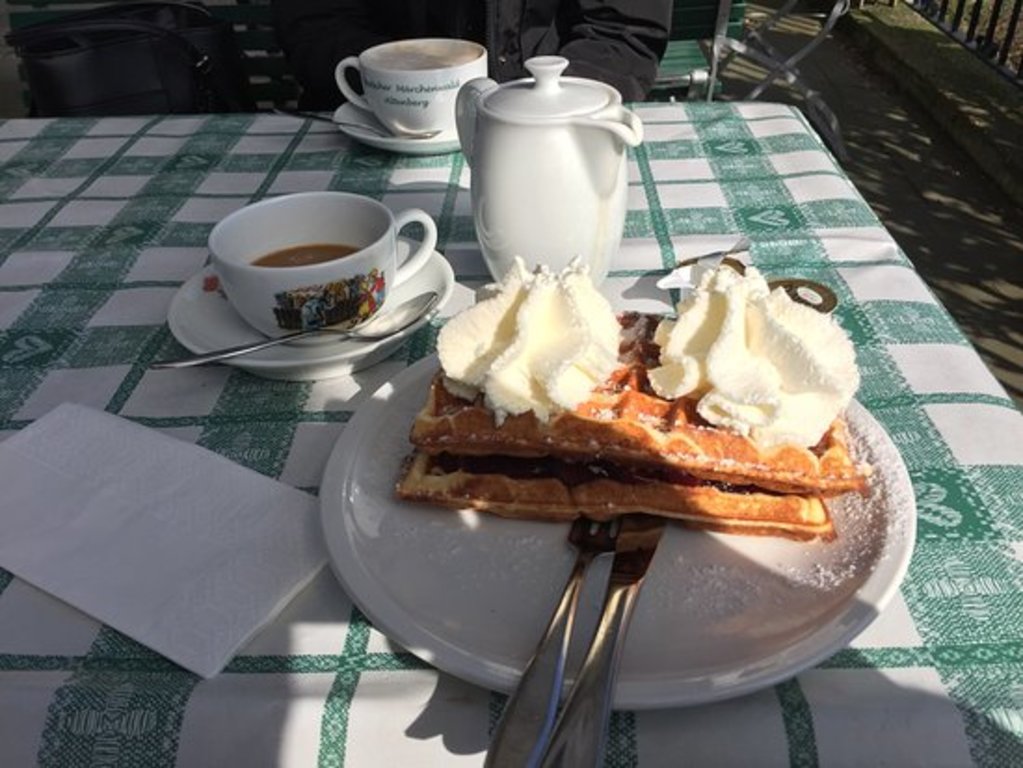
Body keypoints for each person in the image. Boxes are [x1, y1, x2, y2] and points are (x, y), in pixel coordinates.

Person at [271, 0, 672, 110]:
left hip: (549, 126)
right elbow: (314, 23)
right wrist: (396, 85)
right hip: (371, 124)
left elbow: (623, 31)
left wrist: (548, 107)